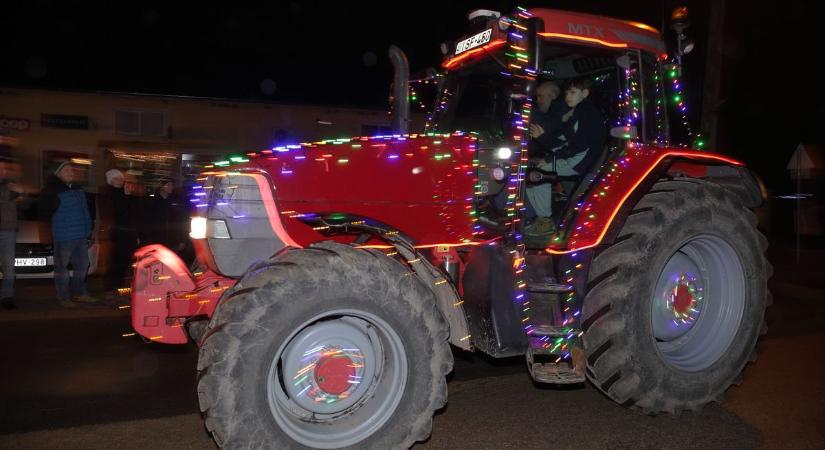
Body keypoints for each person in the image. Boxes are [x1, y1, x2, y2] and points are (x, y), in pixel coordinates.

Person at [524, 78, 606, 236]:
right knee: (531, 171)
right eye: (567, 92)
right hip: (575, 160)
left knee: (539, 173)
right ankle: (538, 218)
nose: (568, 96)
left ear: (585, 93)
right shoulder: (577, 112)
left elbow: (576, 146)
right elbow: (563, 142)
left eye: (573, 92)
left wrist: (549, 159)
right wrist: (542, 137)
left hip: (579, 163)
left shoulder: (586, 112)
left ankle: (545, 221)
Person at [39, 160, 97, 308]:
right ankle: (64, 297)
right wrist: (46, 236)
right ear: (57, 173)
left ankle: (80, 293)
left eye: (72, 170)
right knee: (62, 269)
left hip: (80, 236)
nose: (71, 172)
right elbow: (44, 215)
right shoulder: (52, 191)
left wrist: (88, 233)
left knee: (83, 266)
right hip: (64, 237)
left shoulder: (78, 190)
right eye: (67, 170)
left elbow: (85, 212)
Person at [100, 168, 139, 294]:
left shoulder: (122, 193)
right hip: (118, 233)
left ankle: (117, 285)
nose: (120, 181)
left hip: (127, 233)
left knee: (124, 260)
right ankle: (110, 287)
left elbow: (132, 212)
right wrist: (127, 196)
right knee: (116, 261)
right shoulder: (110, 194)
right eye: (117, 178)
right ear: (111, 180)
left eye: (121, 178)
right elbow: (120, 212)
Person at [145, 177, 192, 263]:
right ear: (161, 186)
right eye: (168, 185)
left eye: (172, 185)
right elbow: (148, 222)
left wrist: (182, 240)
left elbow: (182, 221)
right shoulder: (152, 202)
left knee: (171, 265)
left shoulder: (176, 201)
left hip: (173, 242)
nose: (171, 187)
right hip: (157, 241)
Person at [0, 158, 22, 309]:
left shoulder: (12, 186)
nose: (3, 171)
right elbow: (4, 197)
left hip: (8, 230)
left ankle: (7, 297)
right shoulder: (10, 189)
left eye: (4, 169)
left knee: (9, 266)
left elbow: (23, 204)